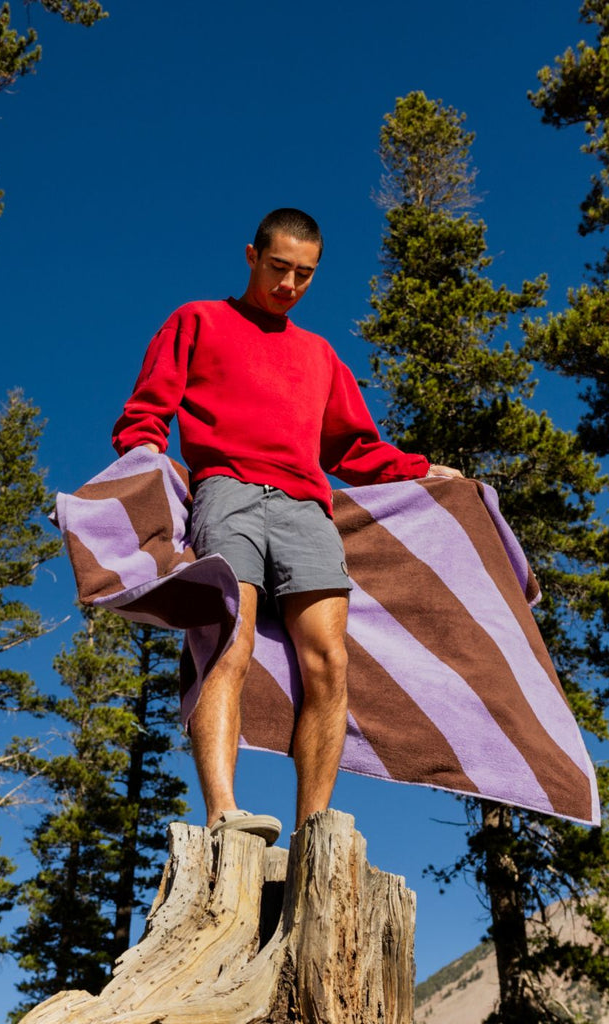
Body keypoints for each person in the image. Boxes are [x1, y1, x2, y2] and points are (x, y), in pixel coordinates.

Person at [112, 208, 461, 845]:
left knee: (328, 661)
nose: (289, 285)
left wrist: (420, 471)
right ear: (252, 256)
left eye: (304, 275)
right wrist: (141, 471)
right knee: (228, 641)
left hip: (307, 508)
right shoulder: (198, 320)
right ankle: (223, 813)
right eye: (279, 269)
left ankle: (314, 830)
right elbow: (147, 410)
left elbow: (353, 449)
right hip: (226, 493)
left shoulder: (319, 354)